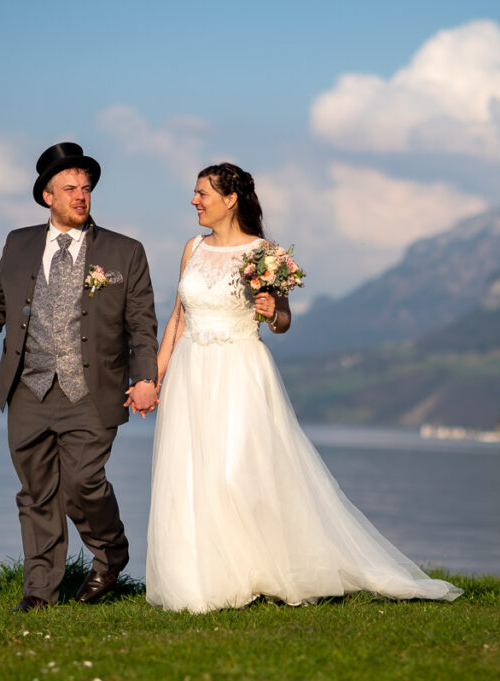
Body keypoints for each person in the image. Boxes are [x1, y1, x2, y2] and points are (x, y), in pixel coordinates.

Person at [144, 162, 462, 613]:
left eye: (202, 193)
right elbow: (177, 317)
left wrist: (273, 309)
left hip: (239, 370)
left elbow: (283, 323)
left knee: (238, 471)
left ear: (229, 199)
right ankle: (205, 578)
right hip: (192, 370)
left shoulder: (265, 253)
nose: (194, 201)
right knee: (194, 472)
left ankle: (261, 568)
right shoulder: (191, 248)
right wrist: (156, 376)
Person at [0, 142, 159, 612]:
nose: (81, 195)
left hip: (92, 391)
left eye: (86, 187)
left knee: (84, 483)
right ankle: (40, 591)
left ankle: (110, 554)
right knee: (36, 493)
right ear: (47, 196)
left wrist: (146, 376)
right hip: (27, 387)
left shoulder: (124, 251)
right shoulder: (18, 242)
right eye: (70, 187)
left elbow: (141, 325)